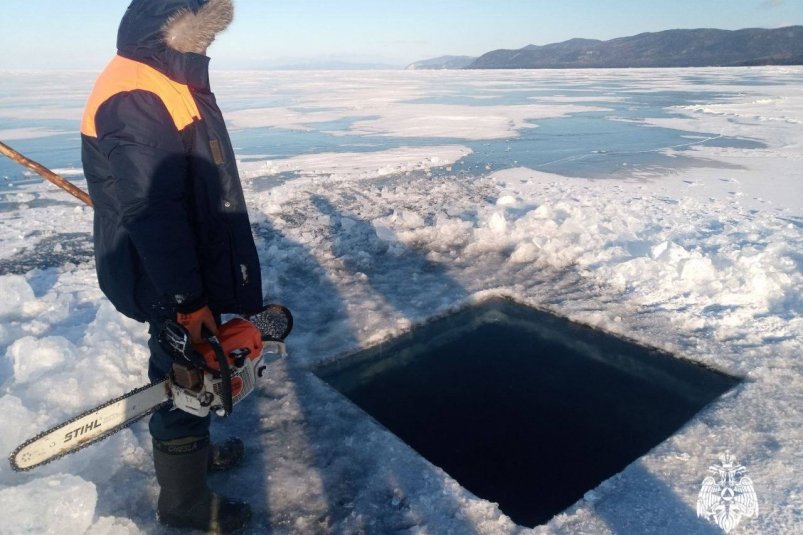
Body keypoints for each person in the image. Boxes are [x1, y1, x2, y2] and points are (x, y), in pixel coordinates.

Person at [80, 1, 262, 532]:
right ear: (175, 24)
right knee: (185, 378)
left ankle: (195, 454)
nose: (208, 42)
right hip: (163, 273)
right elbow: (153, 210)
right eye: (203, 29)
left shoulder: (164, 77)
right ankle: (184, 504)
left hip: (178, 264)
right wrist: (188, 298)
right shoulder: (136, 91)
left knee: (193, 370)